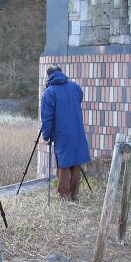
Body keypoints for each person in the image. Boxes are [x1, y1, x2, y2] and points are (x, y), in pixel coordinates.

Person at [40, 65, 91, 201]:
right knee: (76, 160)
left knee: (64, 162)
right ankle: (74, 193)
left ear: (48, 76)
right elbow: (79, 99)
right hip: (77, 129)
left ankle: (64, 195)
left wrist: (46, 135)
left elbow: (47, 117)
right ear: (61, 74)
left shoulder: (49, 92)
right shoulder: (75, 87)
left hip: (62, 131)